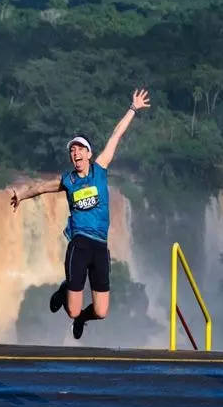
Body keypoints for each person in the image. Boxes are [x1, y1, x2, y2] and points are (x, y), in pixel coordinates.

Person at [8, 88, 150, 340]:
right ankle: (66, 291)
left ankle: (83, 318)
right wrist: (21, 195)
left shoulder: (100, 169)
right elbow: (42, 188)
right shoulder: (68, 180)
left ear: (89, 153)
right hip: (80, 244)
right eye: (72, 151)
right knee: (71, 310)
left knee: (101, 311)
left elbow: (116, 135)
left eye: (79, 149)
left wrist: (133, 108)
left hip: (100, 247)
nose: (75, 154)